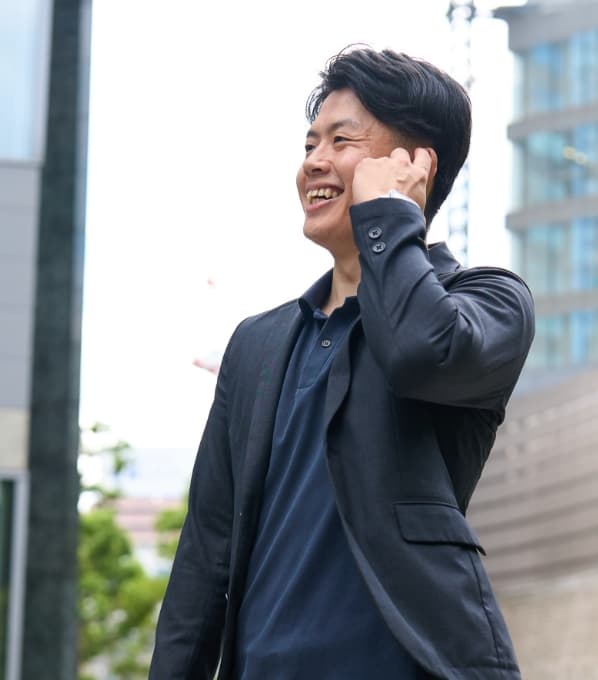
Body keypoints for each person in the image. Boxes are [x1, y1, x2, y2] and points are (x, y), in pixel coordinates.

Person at [149, 45, 534, 680]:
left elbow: (418, 353)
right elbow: (205, 555)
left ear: (414, 165)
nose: (314, 162)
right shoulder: (258, 344)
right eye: (309, 144)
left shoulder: (489, 302)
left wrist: (391, 217)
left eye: (341, 140)